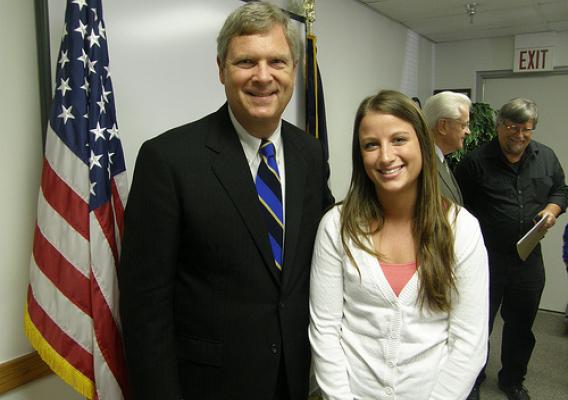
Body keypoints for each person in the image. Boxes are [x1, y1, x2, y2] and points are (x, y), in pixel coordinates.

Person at [118, 2, 334, 399]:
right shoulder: (168, 160)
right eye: (246, 62)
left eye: (277, 62)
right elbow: (144, 306)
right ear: (221, 69)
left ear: (294, 69)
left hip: (294, 380)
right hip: (209, 387)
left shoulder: (309, 153)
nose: (263, 77)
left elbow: (328, 244)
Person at [309, 90, 489, 399]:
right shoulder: (336, 227)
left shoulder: (462, 229)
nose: (386, 156)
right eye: (371, 145)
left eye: (399, 140)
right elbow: (325, 331)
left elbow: (468, 344)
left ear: (422, 141)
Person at [454, 97, 568, 400]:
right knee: (479, 325)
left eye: (525, 130)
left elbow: (561, 189)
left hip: (528, 258)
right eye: (511, 127)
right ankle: (473, 378)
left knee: (521, 326)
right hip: (485, 259)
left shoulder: (546, 157)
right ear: (499, 125)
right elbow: (456, 207)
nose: (518, 135)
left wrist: (553, 209)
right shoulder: (475, 161)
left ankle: (513, 380)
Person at [423, 91, 472, 205]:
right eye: (463, 125)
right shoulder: (423, 165)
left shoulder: (439, 159)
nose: (468, 132)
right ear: (443, 126)